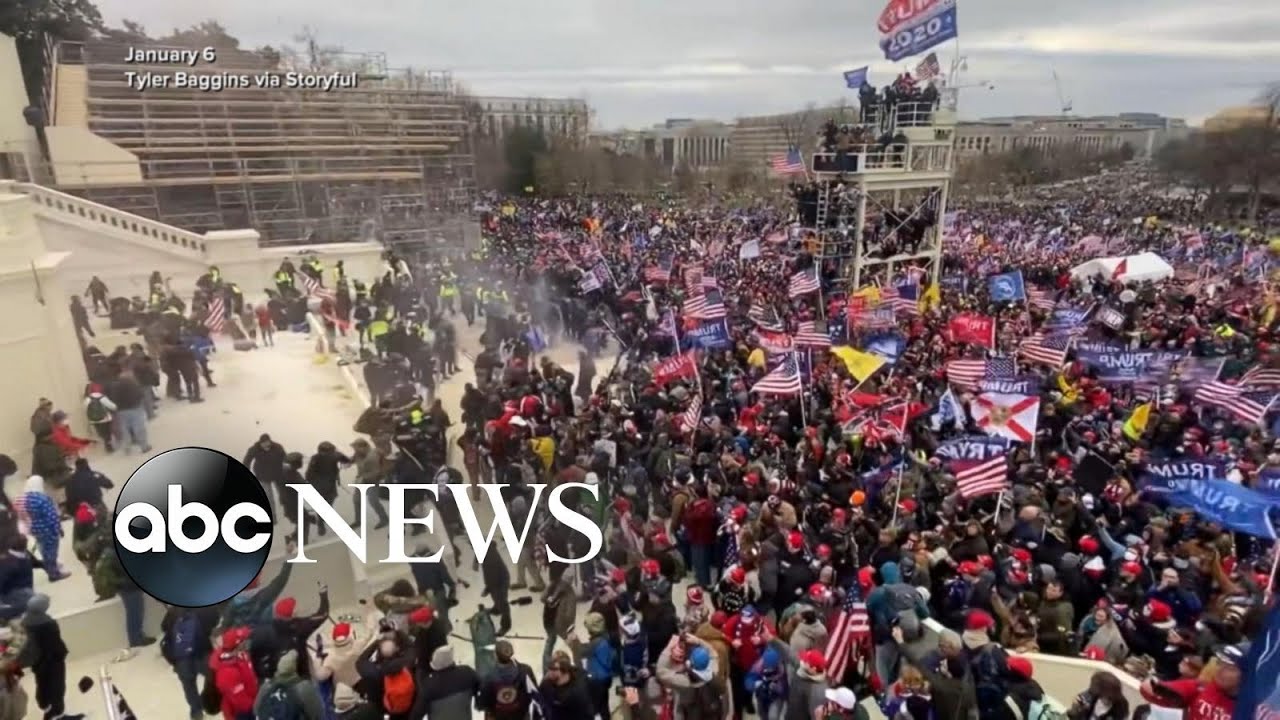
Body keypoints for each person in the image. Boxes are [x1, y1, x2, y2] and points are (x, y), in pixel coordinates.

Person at [161, 603, 219, 720]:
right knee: (213, 676)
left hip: (181, 659)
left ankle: (196, 711)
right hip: (202, 653)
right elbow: (215, 620)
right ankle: (208, 701)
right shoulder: (204, 606)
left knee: (189, 686)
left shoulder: (173, 611)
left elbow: (164, 627)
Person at [13, 478, 68, 582]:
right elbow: (52, 516)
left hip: (34, 530)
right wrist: (58, 529)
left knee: (43, 549)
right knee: (51, 551)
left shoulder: (20, 499)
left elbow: (18, 515)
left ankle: (51, 568)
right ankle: (54, 574)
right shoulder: (42, 498)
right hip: (48, 529)